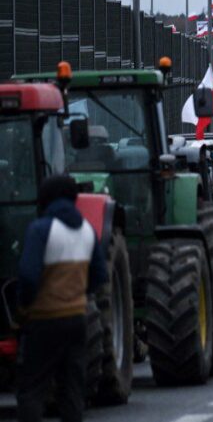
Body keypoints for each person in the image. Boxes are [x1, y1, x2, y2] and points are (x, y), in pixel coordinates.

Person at [17, 175, 107, 422]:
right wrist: (78, 294)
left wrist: (25, 307)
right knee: (72, 389)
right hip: (77, 320)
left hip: (44, 319)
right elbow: (100, 274)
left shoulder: (41, 229)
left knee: (32, 389)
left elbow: (27, 276)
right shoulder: (87, 230)